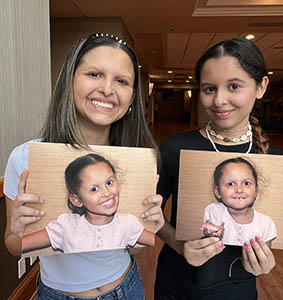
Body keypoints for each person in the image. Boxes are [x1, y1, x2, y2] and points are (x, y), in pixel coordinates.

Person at [4, 33, 164, 300]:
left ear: (132, 97)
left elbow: (131, 248)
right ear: (70, 80)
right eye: (94, 74)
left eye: (121, 81)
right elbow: (13, 244)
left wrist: (148, 228)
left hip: (127, 289)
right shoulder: (25, 158)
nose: (108, 89)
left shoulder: (135, 162)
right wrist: (19, 232)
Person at [155, 37, 282, 300]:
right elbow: (149, 213)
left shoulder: (274, 159)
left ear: (261, 86)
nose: (219, 100)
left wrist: (265, 259)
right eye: (209, 89)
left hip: (237, 286)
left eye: (234, 86)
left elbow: (268, 231)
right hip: (176, 282)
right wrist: (179, 245)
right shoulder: (174, 147)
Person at [22, 153, 155, 255]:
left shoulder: (128, 223)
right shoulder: (66, 225)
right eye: (94, 189)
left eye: (109, 183)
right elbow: (20, 244)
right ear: (77, 200)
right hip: (71, 290)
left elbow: (157, 240)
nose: (107, 192)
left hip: (121, 288)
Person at [203, 156, 276, 247]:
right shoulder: (214, 211)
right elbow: (208, 243)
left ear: (256, 190)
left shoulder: (265, 223)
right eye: (230, 184)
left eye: (246, 183)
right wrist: (213, 235)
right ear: (217, 192)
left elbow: (265, 257)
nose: (239, 190)